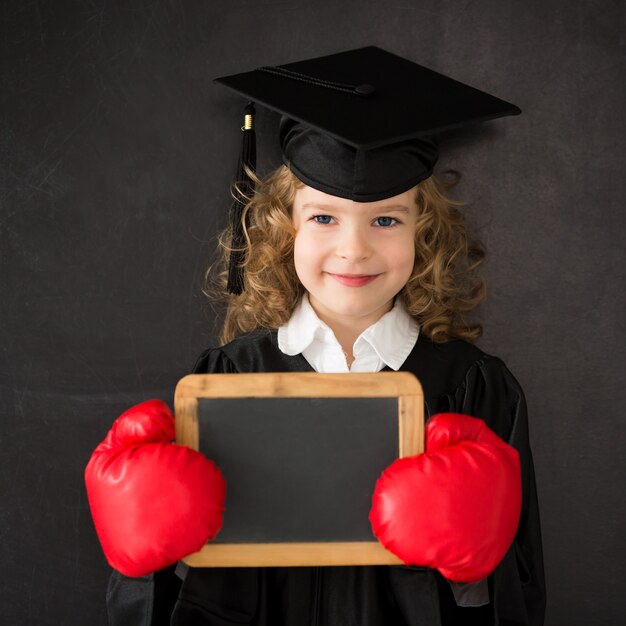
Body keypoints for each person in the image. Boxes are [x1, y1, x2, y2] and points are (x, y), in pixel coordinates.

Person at [85, 47, 546, 626]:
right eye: (324, 218)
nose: (354, 249)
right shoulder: (226, 378)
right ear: (286, 228)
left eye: (386, 219)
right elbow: (187, 587)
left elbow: (520, 594)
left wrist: (476, 574)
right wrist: (146, 565)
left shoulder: (477, 389)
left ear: (423, 231)